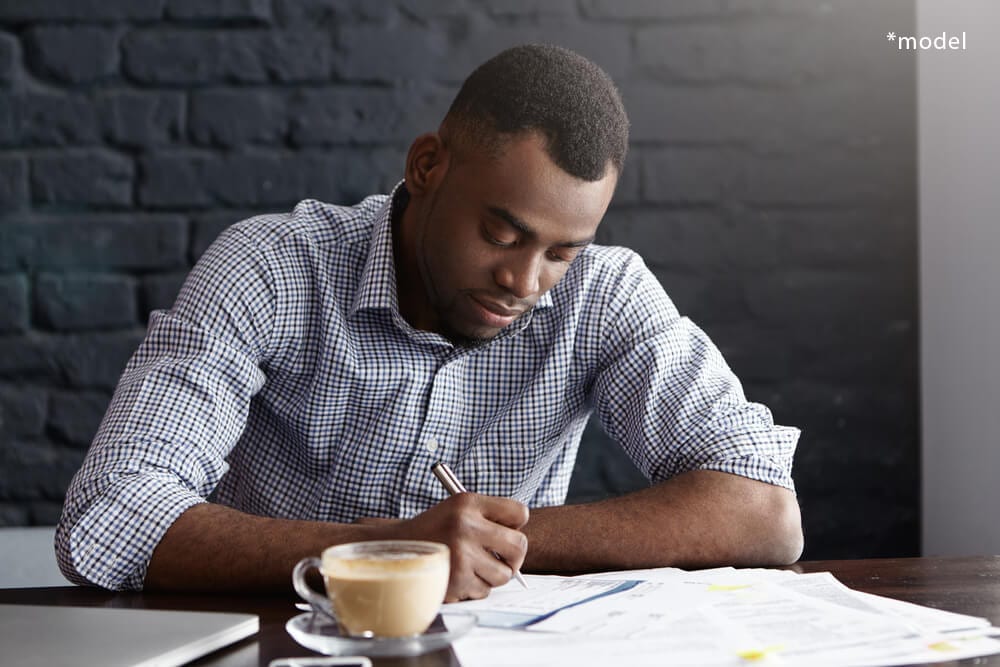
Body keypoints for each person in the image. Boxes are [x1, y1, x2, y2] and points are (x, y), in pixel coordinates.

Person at [56, 44, 803, 601]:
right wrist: (387, 549)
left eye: (561, 252)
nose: (523, 281)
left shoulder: (604, 294)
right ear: (426, 167)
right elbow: (110, 514)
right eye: (502, 234)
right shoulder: (273, 268)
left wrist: (490, 541)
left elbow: (765, 513)